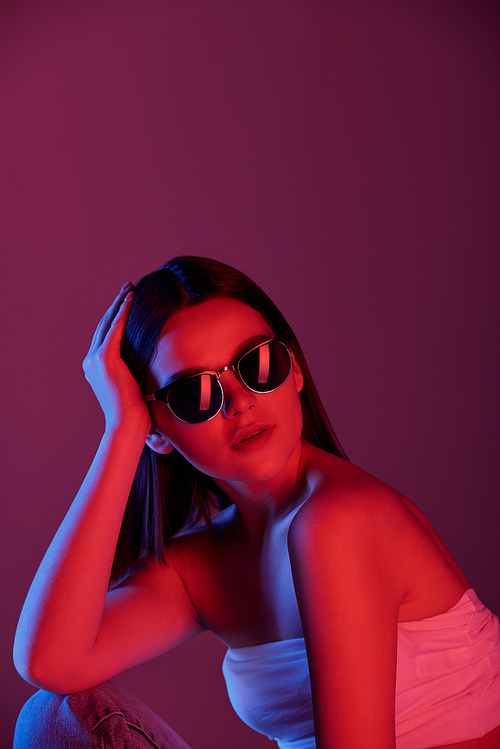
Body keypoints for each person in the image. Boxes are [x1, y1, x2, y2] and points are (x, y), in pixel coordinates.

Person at [13, 256, 500, 749]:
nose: (239, 403)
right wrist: (122, 430)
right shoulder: (202, 565)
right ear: (159, 431)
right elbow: (50, 663)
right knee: (54, 719)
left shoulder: (340, 521)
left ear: (295, 373)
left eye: (258, 365)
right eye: (195, 392)